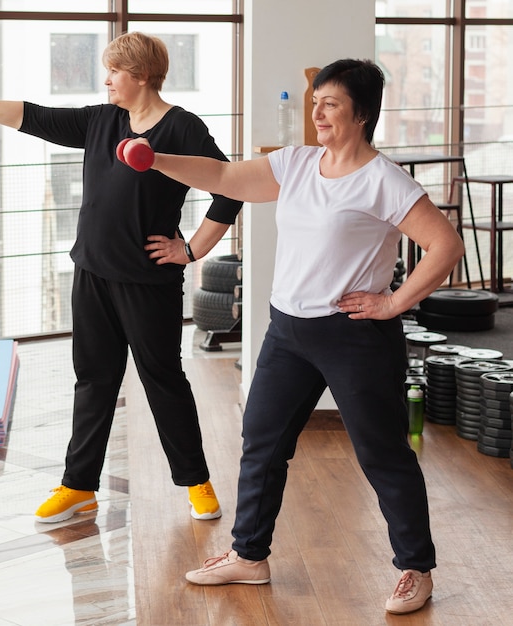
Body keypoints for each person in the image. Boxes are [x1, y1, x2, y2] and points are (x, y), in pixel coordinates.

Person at [120, 59, 464, 614]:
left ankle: (414, 568)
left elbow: (445, 245)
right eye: (315, 102)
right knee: (262, 443)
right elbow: (225, 178)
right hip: (288, 330)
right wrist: (154, 158)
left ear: (363, 114)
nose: (318, 112)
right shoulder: (299, 164)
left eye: (330, 103)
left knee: (381, 454)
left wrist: (394, 302)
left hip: (354, 335)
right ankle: (249, 557)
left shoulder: (384, 180)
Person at [0, 32, 242, 523]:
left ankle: (197, 482)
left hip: (148, 283)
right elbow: (31, 116)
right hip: (93, 274)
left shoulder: (182, 128)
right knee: (94, 381)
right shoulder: (103, 121)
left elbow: (229, 190)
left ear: (140, 76)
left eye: (115, 72)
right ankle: (78, 486)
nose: (107, 81)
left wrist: (190, 250)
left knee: (163, 380)